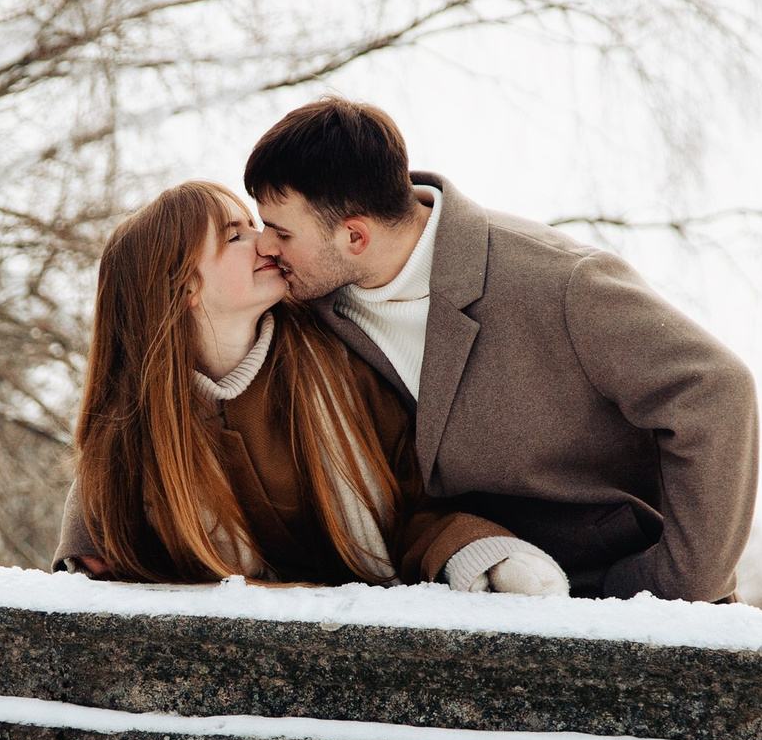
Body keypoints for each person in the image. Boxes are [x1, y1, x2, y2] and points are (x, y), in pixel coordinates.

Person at [239, 99, 758, 602]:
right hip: (462, 596)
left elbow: (714, 390)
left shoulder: (560, 281)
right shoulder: (310, 304)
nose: (265, 245)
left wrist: (673, 588)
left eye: (281, 231)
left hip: (619, 604)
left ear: (355, 236)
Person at [58, 181, 533, 588]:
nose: (266, 243)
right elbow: (104, 575)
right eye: (235, 235)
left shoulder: (340, 363)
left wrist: (477, 554)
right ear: (184, 287)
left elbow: (418, 507)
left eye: (255, 226)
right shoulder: (130, 438)